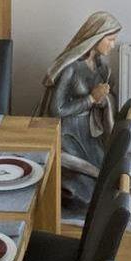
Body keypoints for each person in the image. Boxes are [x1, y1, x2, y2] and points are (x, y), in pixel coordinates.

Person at [38, 11, 121, 215]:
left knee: (108, 184)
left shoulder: (100, 66)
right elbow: (56, 110)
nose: (112, 45)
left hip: (89, 134)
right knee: (85, 194)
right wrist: (91, 99)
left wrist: (103, 101)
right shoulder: (70, 68)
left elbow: (102, 99)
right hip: (68, 136)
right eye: (110, 39)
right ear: (96, 37)